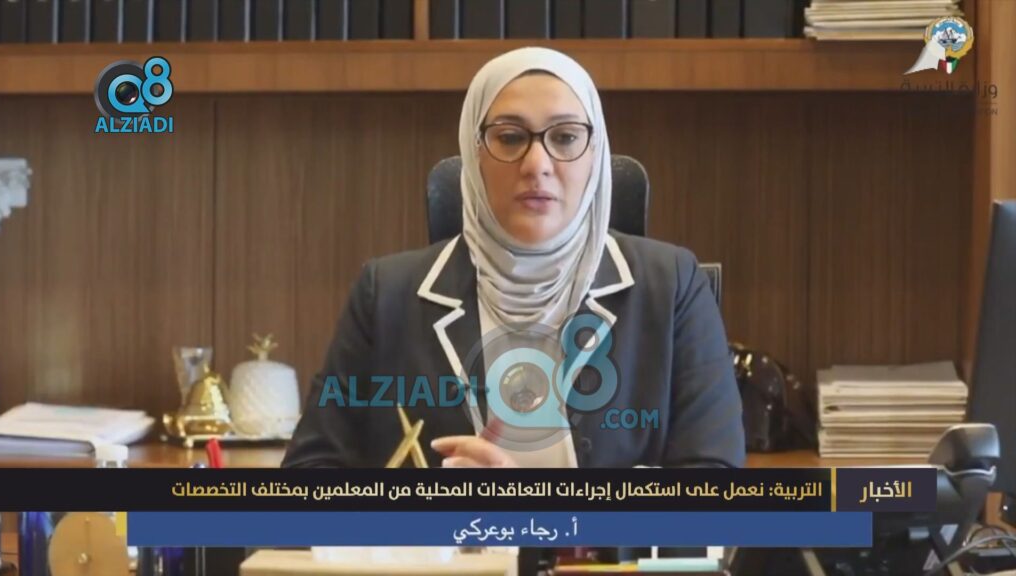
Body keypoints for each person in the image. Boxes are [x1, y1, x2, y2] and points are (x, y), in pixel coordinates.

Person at [282, 47, 744, 470]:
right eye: (509, 137)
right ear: (474, 155)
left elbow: (714, 485)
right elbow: (309, 479)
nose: (537, 164)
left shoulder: (673, 286)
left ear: (595, 154)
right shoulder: (386, 294)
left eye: (566, 137)